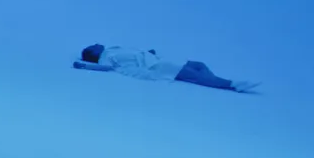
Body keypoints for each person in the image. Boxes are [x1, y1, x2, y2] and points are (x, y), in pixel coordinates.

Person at [73, 44, 259, 93]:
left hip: (157, 58)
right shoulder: (107, 57)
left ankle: (215, 81)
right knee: (195, 75)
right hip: (157, 66)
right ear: (93, 53)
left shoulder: (113, 49)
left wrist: (148, 51)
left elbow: (136, 53)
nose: (97, 43)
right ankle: (232, 85)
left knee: (199, 66)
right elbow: (105, 69)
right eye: (93, 45)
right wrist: (84, 65)